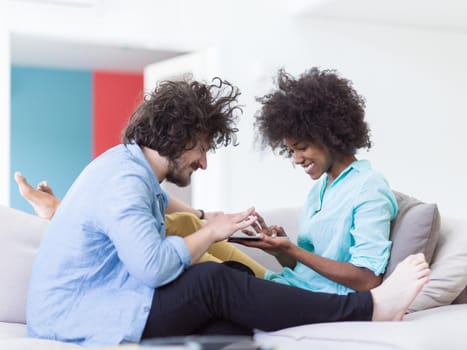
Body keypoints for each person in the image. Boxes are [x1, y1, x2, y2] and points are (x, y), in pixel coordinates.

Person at [24, 77, 429, 347]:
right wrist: (212, 231)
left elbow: (170, 208)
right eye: (202, 149)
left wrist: (212, 217)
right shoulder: (126, 183)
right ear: (179, 138)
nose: (203, 163)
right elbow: (153, 268)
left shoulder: (130, 168)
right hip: (79, 315)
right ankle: (371, 308)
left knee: (229, 321)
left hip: (86, 306)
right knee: (211, 281)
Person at [230, 67, 398, 295]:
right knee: (220, 271)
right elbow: (306, 270)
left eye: (302, 148)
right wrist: (281, 251)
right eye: (291, 151)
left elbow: (367, 279)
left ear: (330, 135)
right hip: (293, 287)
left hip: (325, 301)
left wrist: (293, 250)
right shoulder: (320, 188)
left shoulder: (369, 186)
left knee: (214, 281)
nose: (297, 159)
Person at [14, 172, 267, 277]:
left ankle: (61, 212)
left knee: (162, 236)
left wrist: (285, 249)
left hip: (280, 287)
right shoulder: (134, 171)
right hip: (279, 279)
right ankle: (61, 212)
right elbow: (162, 199)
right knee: (185, 221)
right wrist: (204, 215)